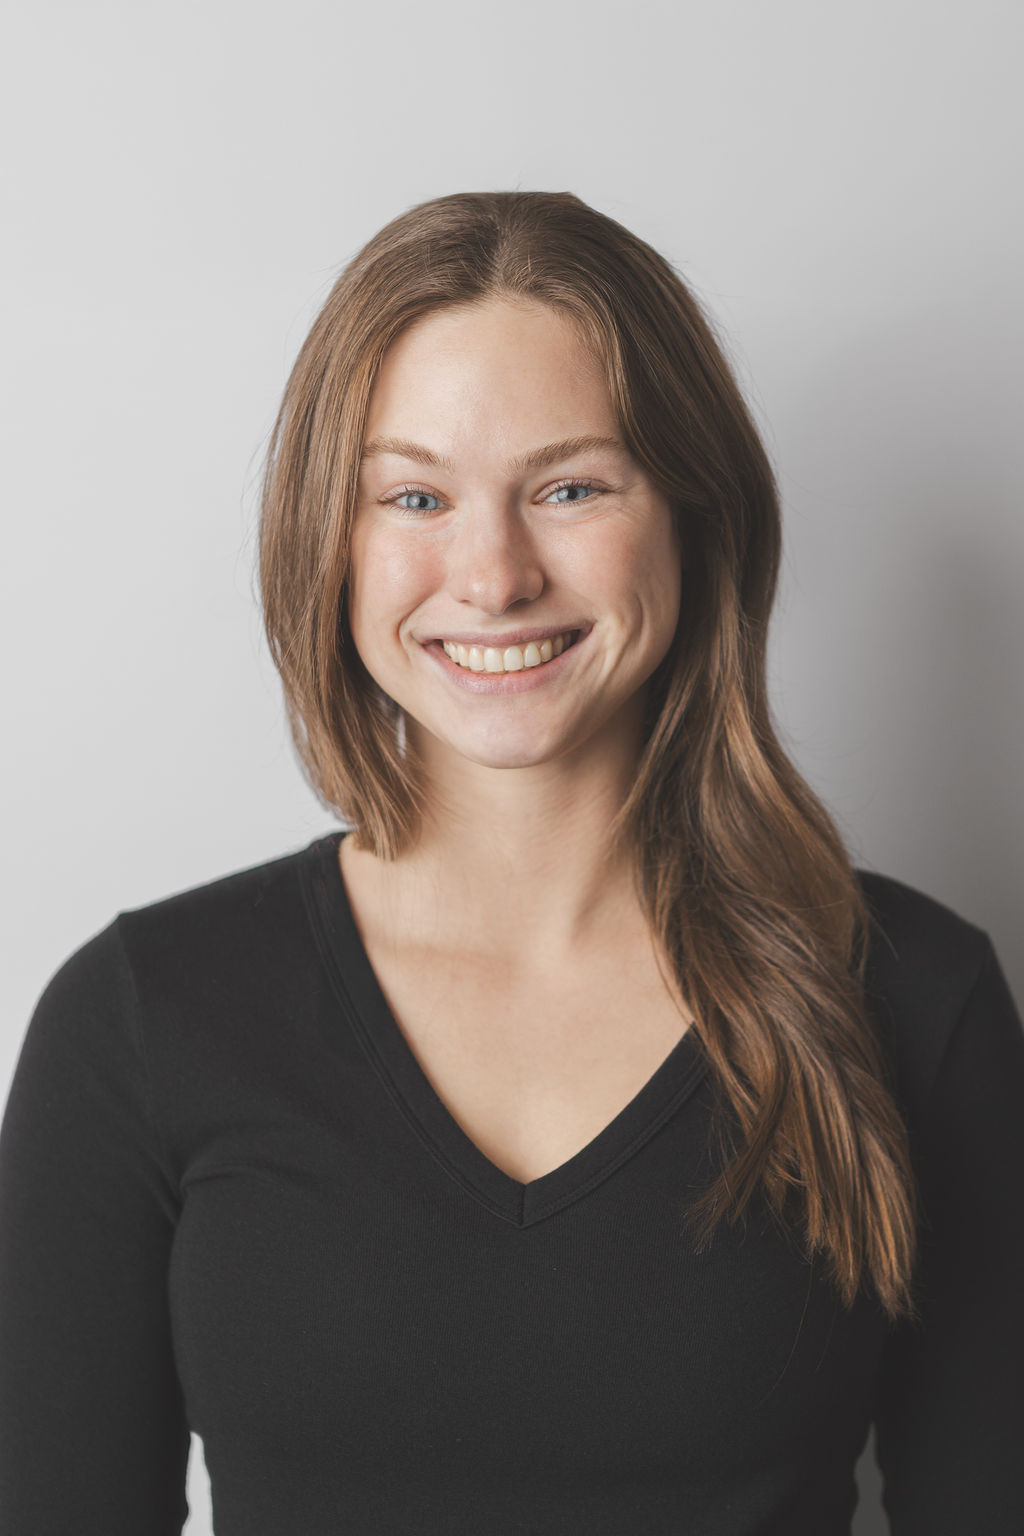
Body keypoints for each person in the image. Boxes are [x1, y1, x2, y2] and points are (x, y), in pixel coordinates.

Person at [1, 190, 1022, 1535]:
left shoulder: (913, 1003)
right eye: (415, 495)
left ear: (695, 518)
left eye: (571, 488)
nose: (491, 574)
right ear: (333, 541)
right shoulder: (139, 1021)